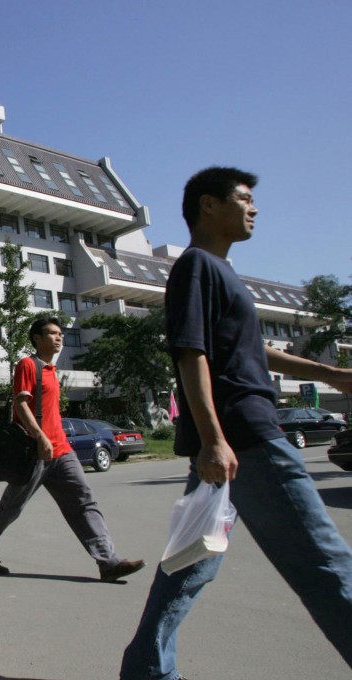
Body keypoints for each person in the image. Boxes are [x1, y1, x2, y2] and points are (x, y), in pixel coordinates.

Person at [119, 167, 352, 679]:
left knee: (189, 565)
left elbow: (257, 351)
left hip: (229, 442)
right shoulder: (197, 265)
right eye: (244, 198)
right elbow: (191, 353)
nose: (255, 208)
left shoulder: (222, 274)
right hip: (245, 438)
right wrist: (213, 440)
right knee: (326, 562)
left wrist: (333, 374)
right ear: (208, 205)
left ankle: (146, 672)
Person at [0, 316, 146, 582]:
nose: (59, 338)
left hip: (62, 450)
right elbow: (21, 405)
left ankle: (108, 562)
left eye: (60, 334)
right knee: (12, 507)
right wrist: (40, 438)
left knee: (84, 502)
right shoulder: (27, 365)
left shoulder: (53, 371)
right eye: (52, 333)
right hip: (35, 451)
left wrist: (53, 439)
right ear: (37, 339)